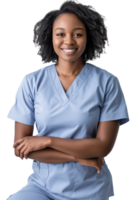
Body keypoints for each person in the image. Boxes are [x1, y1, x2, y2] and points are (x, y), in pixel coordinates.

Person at [6, 0, 129, 200]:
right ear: (50, 37)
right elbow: (22, 147)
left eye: (77, 34)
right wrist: (76, 157)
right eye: (61, 34)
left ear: (89, 37)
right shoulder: (32, 82)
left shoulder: (106, 82)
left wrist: (46, 140)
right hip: (42, 186)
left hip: (90, 188)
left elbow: (103, 146)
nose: (69, 41)